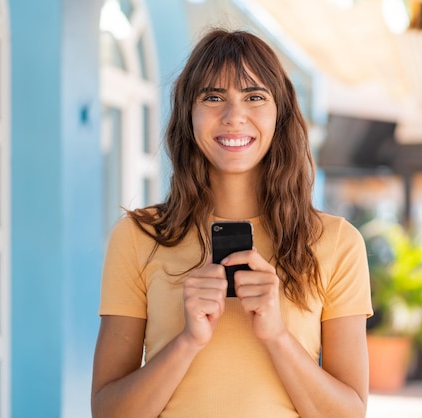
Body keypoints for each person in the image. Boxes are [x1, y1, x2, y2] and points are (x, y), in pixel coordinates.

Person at [91, 27, 373, 418]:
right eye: (213, 97)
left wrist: (276, 335)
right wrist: (188, 340)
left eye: (254, 96)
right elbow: (108, 411)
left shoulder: (337, 243)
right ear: (188, 113)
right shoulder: (139, 237)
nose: (233, 116)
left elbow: (348, 413)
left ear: (281, 113)